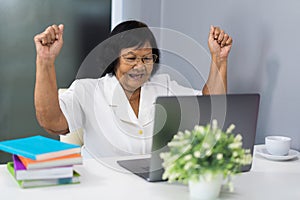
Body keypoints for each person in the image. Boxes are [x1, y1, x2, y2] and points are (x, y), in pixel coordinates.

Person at [33, 20, 232, 157]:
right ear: (113, 59)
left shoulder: (164, 86)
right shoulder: (88, 90)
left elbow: (210, 105)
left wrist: (219, 59)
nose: (140, 66)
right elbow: (51, 121)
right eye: (131, 58)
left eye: (147, 58)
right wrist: (45, 61)